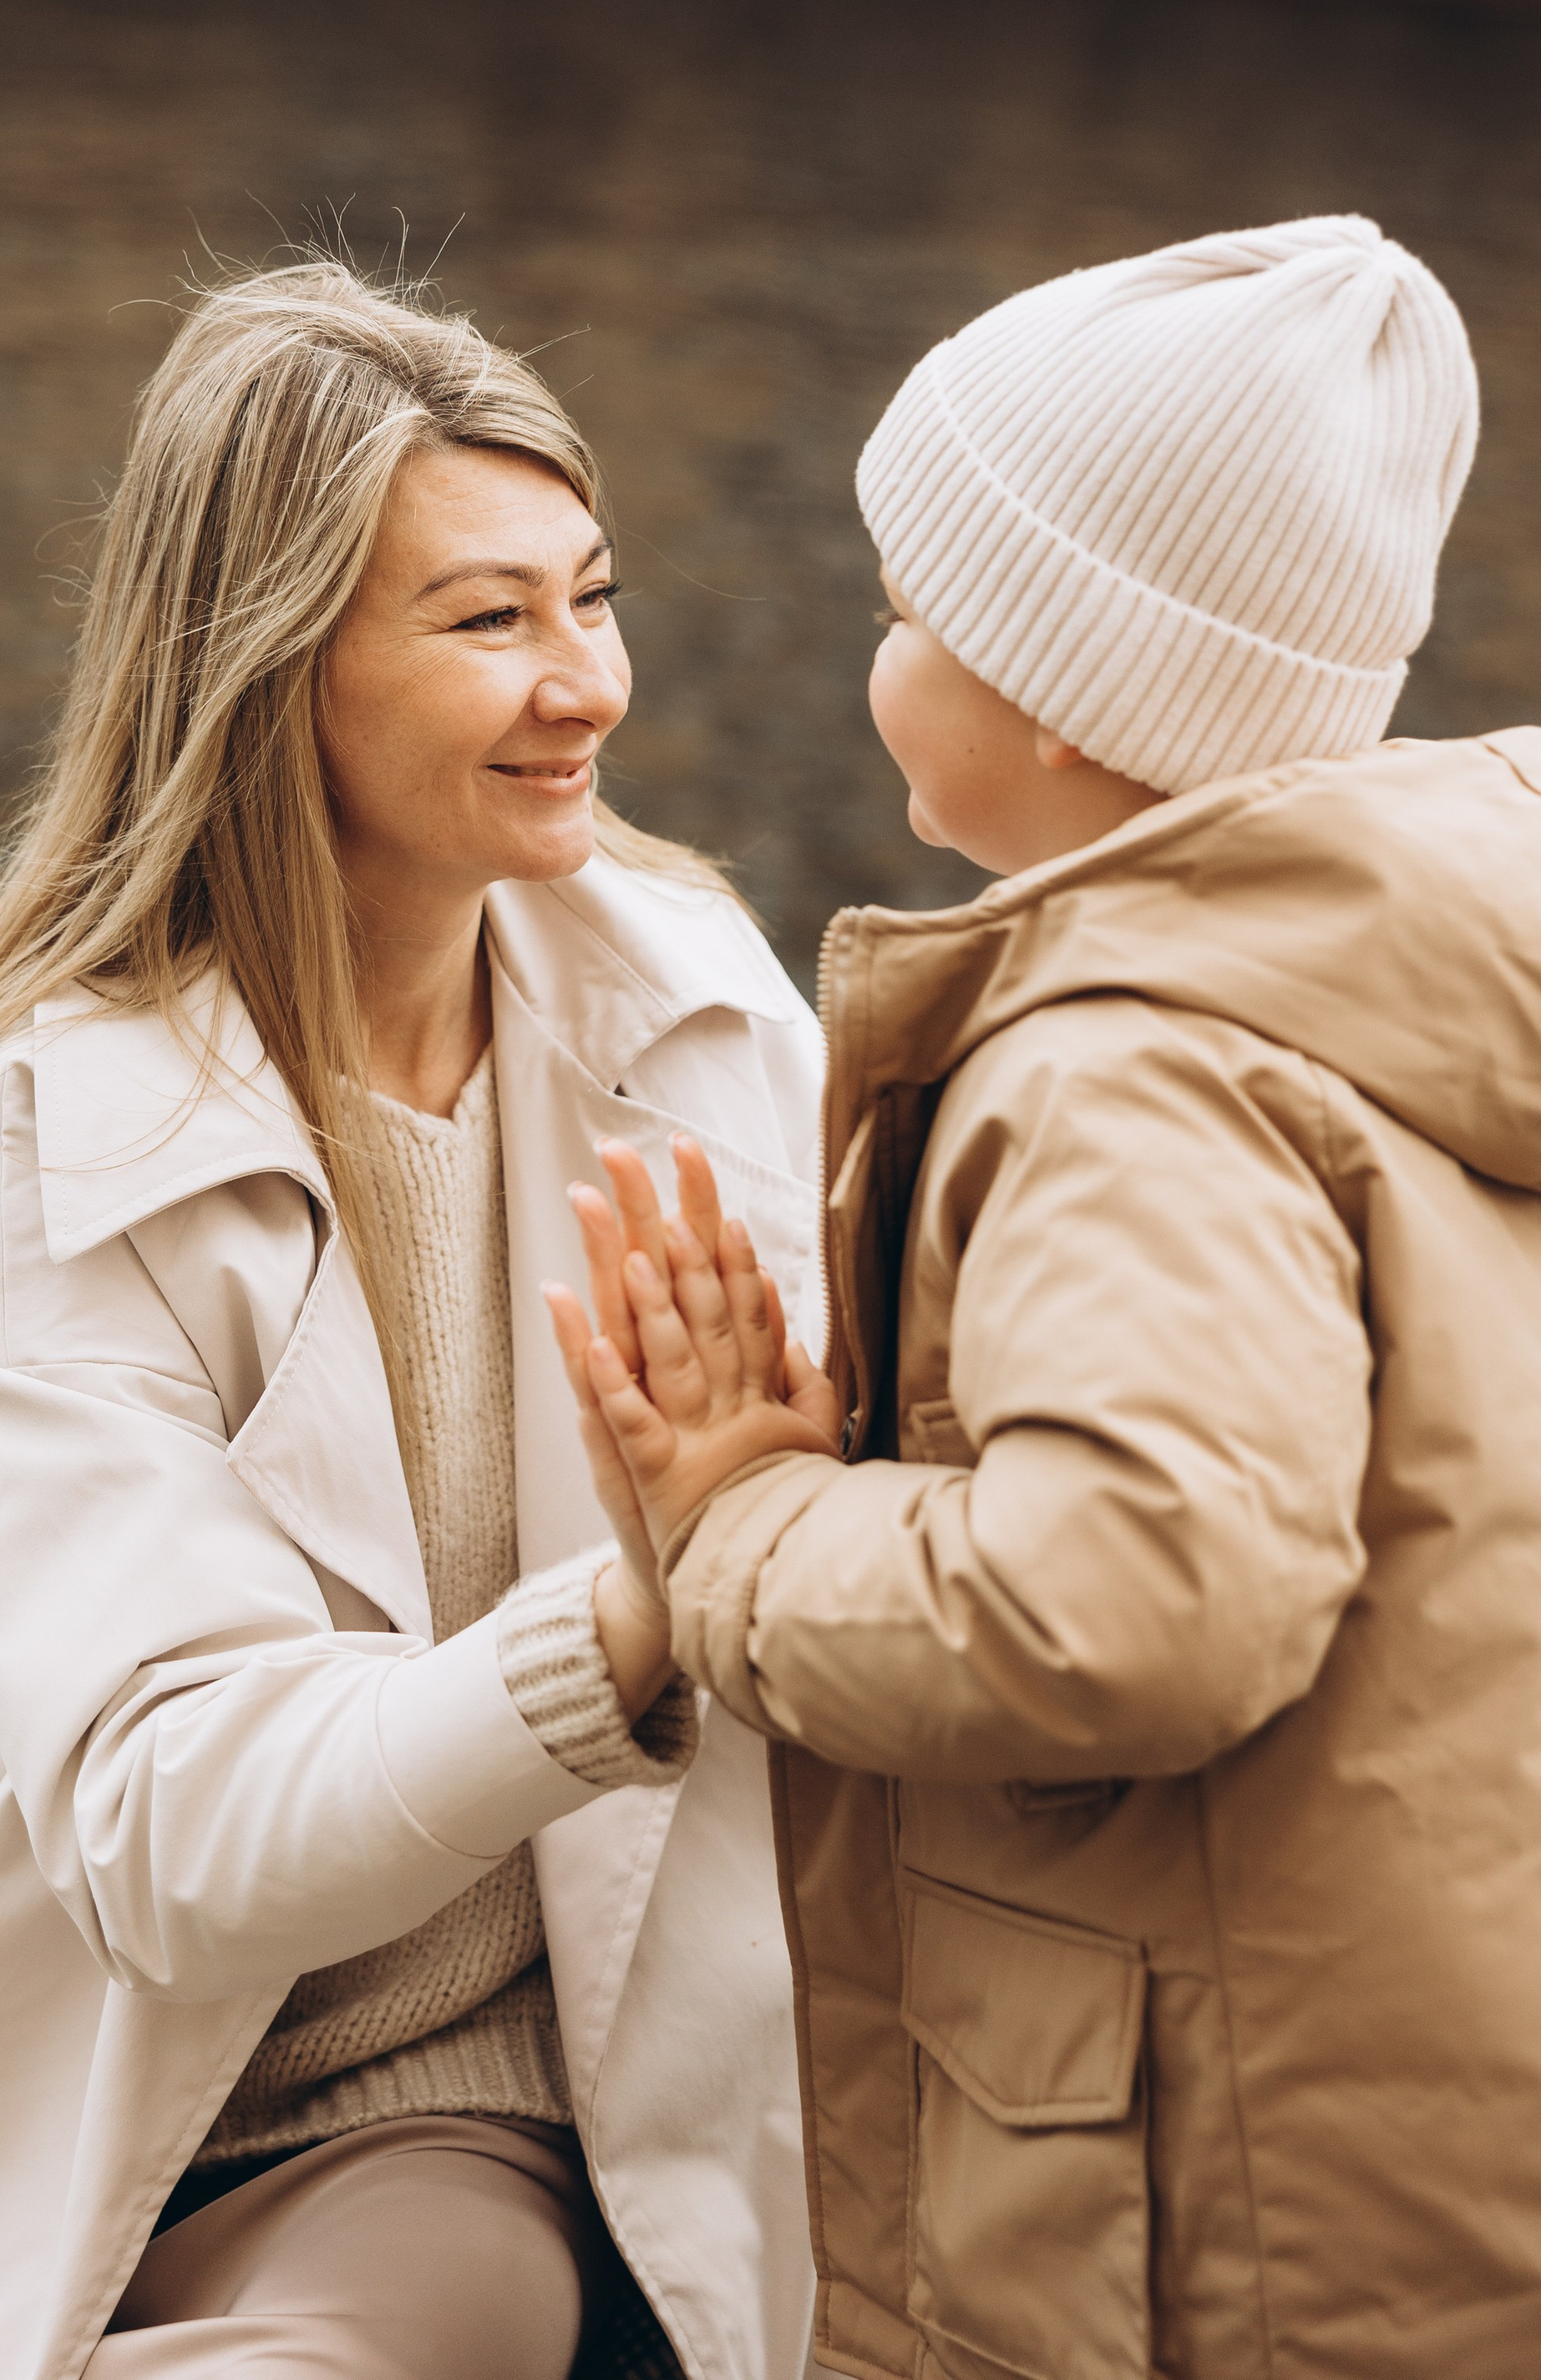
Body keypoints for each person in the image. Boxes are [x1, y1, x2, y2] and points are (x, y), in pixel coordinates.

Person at [0, 261, 824, 2380]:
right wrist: (633, 1618)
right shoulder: (22, 1142)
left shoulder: (695, 1010)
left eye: (589, 596)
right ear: (267, 669)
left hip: (481, 2092)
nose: (586, 684)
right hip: (58, 2090)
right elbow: (171, 1834)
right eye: (485, 621)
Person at [550, 215, 1541, 2379]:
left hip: (1217, 2231)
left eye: (910, 608)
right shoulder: (1412, 997)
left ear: (1073, 702)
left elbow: (1144, 1594)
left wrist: (745, 1515)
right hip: (1417, 2125)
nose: (876, 651)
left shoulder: (1135, 1067)